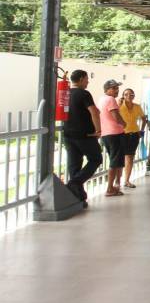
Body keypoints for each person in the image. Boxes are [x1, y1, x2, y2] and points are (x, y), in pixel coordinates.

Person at [62, 70, 102, 206]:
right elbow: (94, 112)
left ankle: (79, 198)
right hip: (85, 135)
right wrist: (98, 129)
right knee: (96, 158)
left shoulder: (66, 93)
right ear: (80, 79)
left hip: (68, 134)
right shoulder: (84, 94)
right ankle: (74, 183)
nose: (87, 82)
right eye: (86, 79)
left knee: (74, 166)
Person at [98, 79, 126, 197]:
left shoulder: (102, 99)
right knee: (115, 161)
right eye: (113, 88)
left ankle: (115, 185)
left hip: (106, 134)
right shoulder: (110, 99)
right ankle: (110, 188)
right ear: (107, 90)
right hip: (115, 133)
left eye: (117, 88)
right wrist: (123, 123)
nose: (116, 90)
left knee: (116, 160)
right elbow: (115, 115)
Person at [118, 88, 146, 189]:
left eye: (131, 94)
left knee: (130, 157)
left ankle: (126, 180)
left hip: (134, 134)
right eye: (126, 94)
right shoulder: (119, 106)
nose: (128, 96)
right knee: (120, 158)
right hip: (122, 133)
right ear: (123, 96)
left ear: (133, 96)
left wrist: (141, 130)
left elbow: (144, 119)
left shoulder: (137, 107)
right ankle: (117, 181)